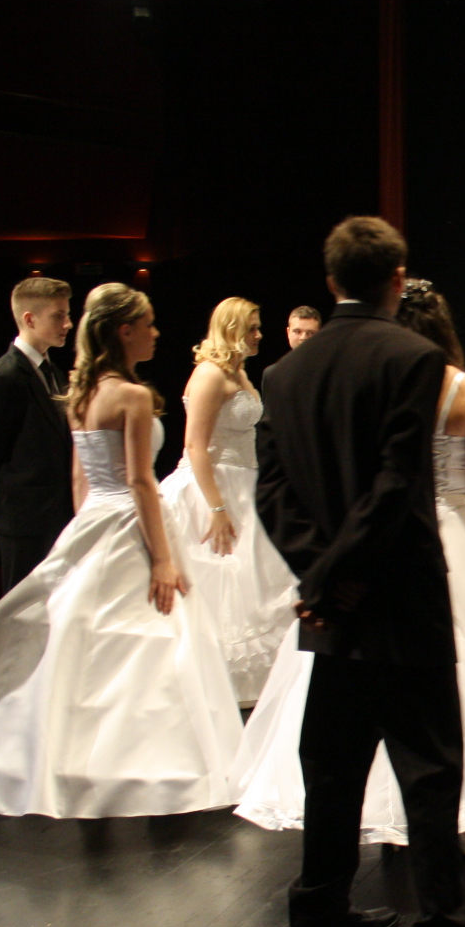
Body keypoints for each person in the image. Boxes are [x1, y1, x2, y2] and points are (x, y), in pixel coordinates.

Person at [255, 215, 465, 927]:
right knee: (429, 776)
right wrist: (344, 575)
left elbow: (272, 492)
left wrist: (320, 579)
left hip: (332, 615)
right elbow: (397, 486)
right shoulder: (414, 359)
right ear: (396, 279)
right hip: (401, 602)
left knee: (330, 769)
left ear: (332, 281)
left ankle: (318, 912)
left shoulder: (285, 374)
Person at [234, 278, 465, 851]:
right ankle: (458, 810)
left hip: (378, 539)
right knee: (461, 674)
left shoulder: (374, 382)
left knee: (366, 677)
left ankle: (380, 808)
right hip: (453, 538)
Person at [0, 283, 243, 818]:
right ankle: (151, 766)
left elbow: (82, 477)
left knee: (85, 642)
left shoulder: (82, 393)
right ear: (124, 332)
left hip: (96, 519)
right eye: (148, 325)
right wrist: (161, 557)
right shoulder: (130, 396)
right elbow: (140, 481)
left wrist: (85, 531)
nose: (156, 333)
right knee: (149, 641)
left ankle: (75, 761)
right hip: (130, 521)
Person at [158, 298, 298, 705]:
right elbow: (195, 446)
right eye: (252, 328)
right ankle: (214, 686)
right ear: (232, 329)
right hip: (212, 488)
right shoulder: (209, 374)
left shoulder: (238, 371)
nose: (259, 335)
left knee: (261, 580)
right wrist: (217, 508)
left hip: (244, 483)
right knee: (222, 582)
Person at [0, 277, 75, 591]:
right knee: (25, 607)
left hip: (58, 514)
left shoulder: (53, 372)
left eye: (67, 314)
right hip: (24, 518)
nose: (68, 324)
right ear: (29, 319)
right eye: (58, 316)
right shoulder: (3, 377)